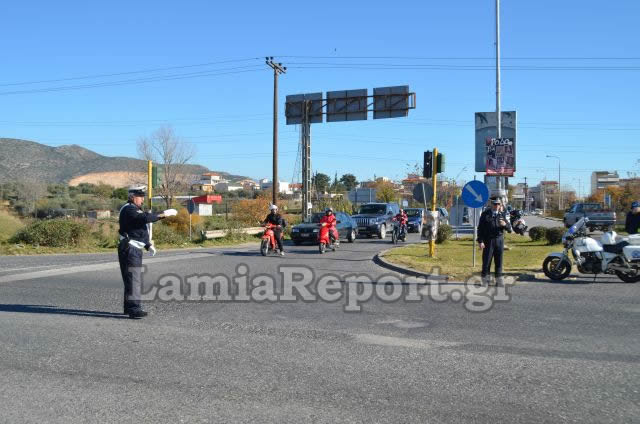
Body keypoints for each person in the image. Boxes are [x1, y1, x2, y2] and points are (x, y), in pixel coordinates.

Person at [118, 186, 177, 318]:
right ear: (133, 197)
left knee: (131, 278)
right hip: (129, 248)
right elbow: (145, 218)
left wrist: (147, 244)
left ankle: (129, 307)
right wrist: (164, 214)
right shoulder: (129, 209)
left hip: (133, 247)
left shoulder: (133, 209)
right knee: (134, 279)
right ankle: (134, 309)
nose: (142, 200)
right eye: (140, 197)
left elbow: (138, 230)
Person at [477, 197, 512, 286]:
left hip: (499, 241)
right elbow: (480, 229)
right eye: (495, 204)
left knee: (499, 261)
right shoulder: (485, 214)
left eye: (498, 204)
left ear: (500, 205)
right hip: (488, 240)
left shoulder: (502, 214)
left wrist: (505, 225)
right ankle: (485, 280)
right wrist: (480, 241)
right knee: (487, 262)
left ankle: (498, 280)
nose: (497, 206)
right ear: (491, 204)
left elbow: (509, 228)